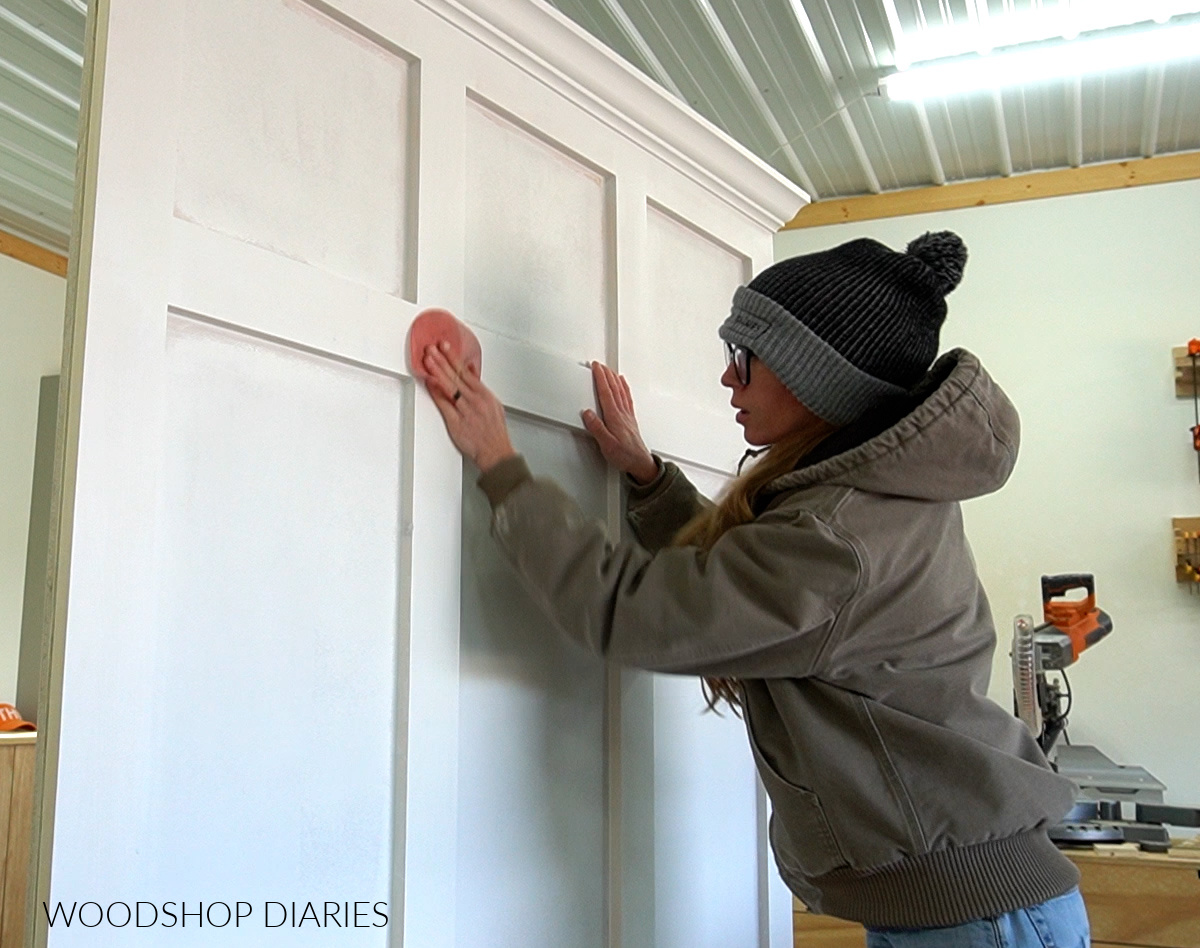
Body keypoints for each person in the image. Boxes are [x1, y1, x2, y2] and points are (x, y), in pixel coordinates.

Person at [422, 231, 1090, 946]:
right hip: (969, 907)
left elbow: (632, 610)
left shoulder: (840, 534)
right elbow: (766, 589)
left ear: (816, 378)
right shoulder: (867, 501)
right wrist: (649, 479)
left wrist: (499, 462)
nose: (727, 380)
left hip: (978, 921)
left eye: (745, 358)